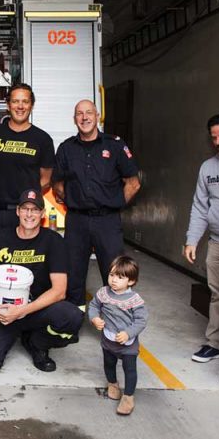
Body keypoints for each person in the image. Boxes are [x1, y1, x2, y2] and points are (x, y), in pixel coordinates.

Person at [0, 189, 84, 377]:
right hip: (3, 312)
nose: (29, 214)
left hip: (35, 310)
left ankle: (37, 342)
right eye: (25, 209)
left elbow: (59, 291)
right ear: (17, 211)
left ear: (42, 214)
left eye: (35, 210)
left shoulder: (54, 241)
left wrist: (22, 311)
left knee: (72, 316)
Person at [0, 83, 55, 314]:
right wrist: (2, 192)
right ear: (8, 105)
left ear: (32, 105)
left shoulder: (42, 139)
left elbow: (45, 179)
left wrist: (26, 204)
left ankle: (24, 311)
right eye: (15, 101)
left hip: (24, 215)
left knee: (24, 262)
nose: (20, 106)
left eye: (25, 101)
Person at [52, 99, 141, 309]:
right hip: (77, 220)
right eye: (80, 114)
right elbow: (57, 183)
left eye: (89, 113)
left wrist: (115, 204)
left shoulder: (115, 145)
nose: (84, 117)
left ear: (97, 115)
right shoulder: (66, 148)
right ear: (74, 119)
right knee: (74, 273)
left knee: (115, 273)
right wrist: (75, 200)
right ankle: (72, 322)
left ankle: (114, 321)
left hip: (107, 221)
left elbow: (133, 183)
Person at [184, 112, 219, 363]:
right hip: (218, 242)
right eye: (214, 137)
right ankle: (215, 343)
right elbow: (200, 208)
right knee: (218, 294)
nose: (218, 142)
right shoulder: (208, 167)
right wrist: (192, 240)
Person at [88, 256, 148, 416]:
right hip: (108, 339)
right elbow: (93, 305)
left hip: (127, 343)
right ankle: (113, 385)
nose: (114, 280)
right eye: (112, 275)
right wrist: (94, 318)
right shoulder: (103, 292)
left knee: (130, 369)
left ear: (131, 281)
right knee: (109, 363)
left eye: (120, 277)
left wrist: (128, 333)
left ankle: (128, 398)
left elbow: (141, 321)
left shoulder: (134, 300)